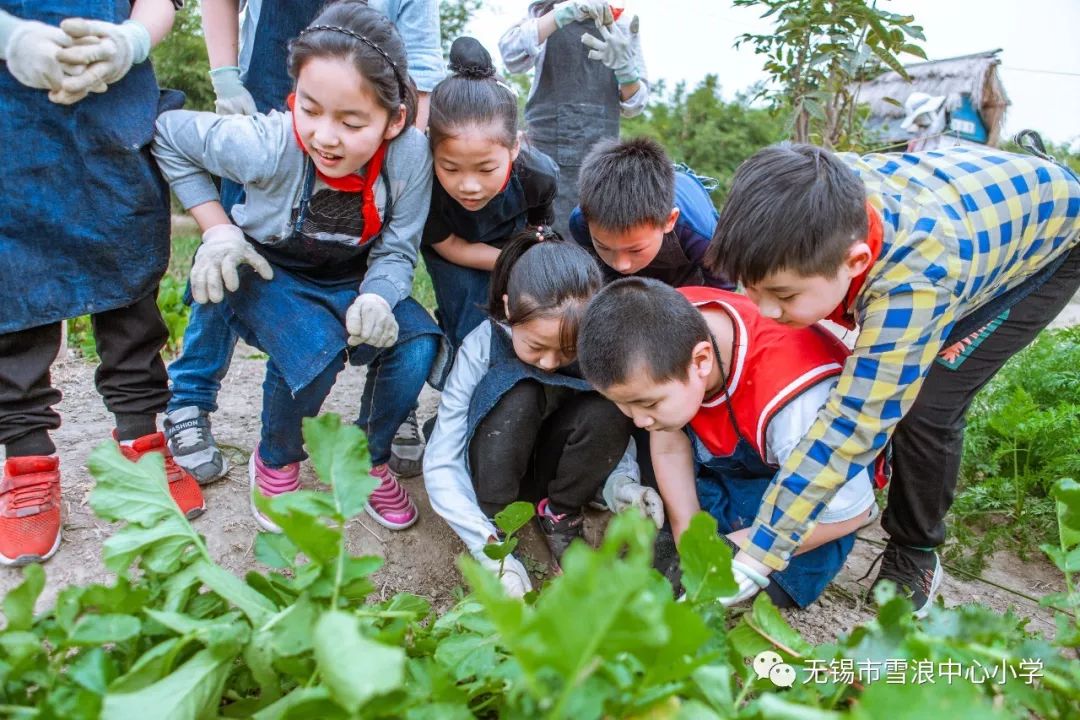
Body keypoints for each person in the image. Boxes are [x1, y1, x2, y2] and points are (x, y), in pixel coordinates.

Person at [705, 141, 1080, 616]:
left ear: (856, 262)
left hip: (1055, 238)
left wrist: (760, 554)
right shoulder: (813, 197)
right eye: (751, 288)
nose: (763, 311)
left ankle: (916, 550)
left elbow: (855, 422)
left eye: (782, 294)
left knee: (926, 403)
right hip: (977, 198)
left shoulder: (916, 284)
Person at [152, 0, 447, 534]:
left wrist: (380, 294)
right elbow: (168, 133)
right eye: (309, 110)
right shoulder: (267, 142)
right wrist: (217, 227)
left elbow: (399, 248)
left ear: (395, 119)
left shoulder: (410, 158)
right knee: (315, 354)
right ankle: (276, 460)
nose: (326, 137)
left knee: (417, 343)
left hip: (352, 276)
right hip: (266, 270)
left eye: (351, 121)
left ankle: (365, 458)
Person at [0, 0, 205, 566]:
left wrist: (130, 42)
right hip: (8, 117)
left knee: (129, 270)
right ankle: (28, 461)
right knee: (14, 287)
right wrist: (11, 38)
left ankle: (141, 442)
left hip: (115, 105)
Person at [579, 278, 877, 608]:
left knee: (768, 579)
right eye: (626, 405)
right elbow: (665, 439)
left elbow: (848, 511)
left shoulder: (796, 405)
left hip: (810, 483)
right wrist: (688, 536)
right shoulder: (659, 327)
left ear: (702, 360)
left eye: (648, 404)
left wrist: (748, 550)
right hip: (726, 449)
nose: (639, 420)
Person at [424, 228, 658, 594]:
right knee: (522, 391)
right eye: (536, 346)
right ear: (508, 309)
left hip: (553, 466)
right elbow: (441, 459)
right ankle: (498, 521)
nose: (550, 362)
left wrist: (623, 485)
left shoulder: (595, 349)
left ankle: (561, 515)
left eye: (567, 351)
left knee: (609, 404)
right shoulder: (481, 345)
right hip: (493, 466)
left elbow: (614, 429)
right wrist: (485, 546)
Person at [423, 37, 558, 353]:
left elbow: (538, 229)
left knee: (520, 313)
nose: (468, 185)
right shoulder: (424, 183)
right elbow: (450, 246)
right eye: (451, 168)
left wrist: (525, 258)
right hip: (454, 249)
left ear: (515, 147)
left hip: (512, 242)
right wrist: (509, 261)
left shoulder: (538, 175)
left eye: (485, 169)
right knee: (469, 323)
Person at [499, 1, 648, 235]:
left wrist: (627, 71)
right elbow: (511, 56)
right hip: (544, 153)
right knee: (543, 235)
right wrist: (562, 14)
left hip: (601, 155)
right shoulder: (544, 13)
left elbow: (635, 103)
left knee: (594, 232)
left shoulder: (623, 23)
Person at [569, 136, 732, 289]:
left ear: (670, 220)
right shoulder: (581, 222)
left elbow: (723, 292)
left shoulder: (702, 236)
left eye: (635, 249)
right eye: (603, 247)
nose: (621, 264)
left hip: (689, 267)